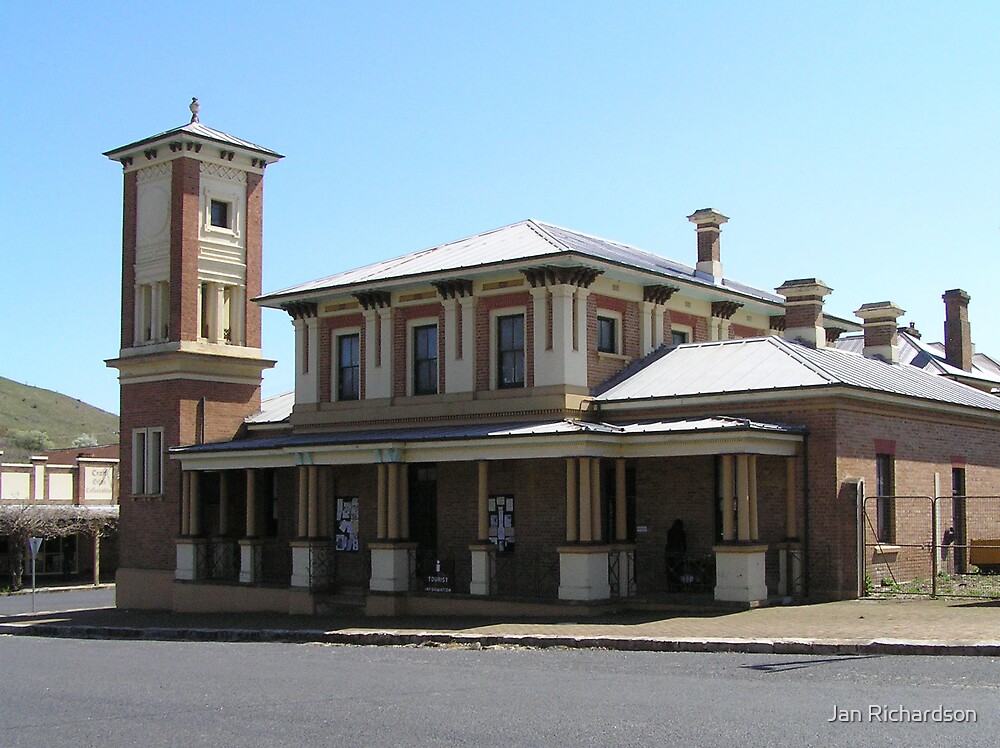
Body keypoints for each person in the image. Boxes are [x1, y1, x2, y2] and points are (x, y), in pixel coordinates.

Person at [665, 519, 687, 592]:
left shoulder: (670, 532)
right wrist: (684, 552)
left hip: (669, 554)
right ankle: (678, 587)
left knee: (670, 571)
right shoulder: (681, 532)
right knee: (678, 571)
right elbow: (684, 544)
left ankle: (671, 587)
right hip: (677, 553)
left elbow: (668, 543)